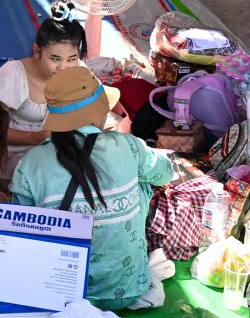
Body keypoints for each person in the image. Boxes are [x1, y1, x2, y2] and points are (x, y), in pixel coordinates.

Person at [11, 67, 172, 311]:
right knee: (143, 179)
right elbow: (165, 173)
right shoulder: (128, 145)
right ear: (99, 110)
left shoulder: (32, 162)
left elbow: (19, 222)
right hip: (128, 289)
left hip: (59, 293)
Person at [0, 9, 87, 184]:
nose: (63, 67)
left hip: (50, 152)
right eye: (55, 59)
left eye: (71, 59)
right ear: (37, 51)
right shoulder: (15, 74)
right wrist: (36, 137)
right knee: (49, 176)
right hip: (9, 155)